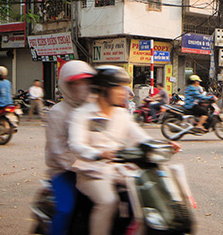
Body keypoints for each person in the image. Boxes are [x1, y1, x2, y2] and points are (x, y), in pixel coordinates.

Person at [69, 66, 177, 235]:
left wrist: (164, 144)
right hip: (92, 172)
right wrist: (97, 153)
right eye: (118, 87)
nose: (123, 92)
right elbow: (76, 144)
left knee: (147, 198)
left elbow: (141, 138)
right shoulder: (82, 114)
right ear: (104, 89)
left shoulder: (121, 114)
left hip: (119, 170)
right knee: (108, 201)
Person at [45, 60, 96, 235]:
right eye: (77, 82)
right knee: (66, 210)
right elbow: (58, 151)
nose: (83, 86)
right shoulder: (58, 112)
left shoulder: (94, 109)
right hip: (64, 171)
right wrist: (82, 166)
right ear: (67, 85)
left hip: (95, 168)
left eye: (87, 81)